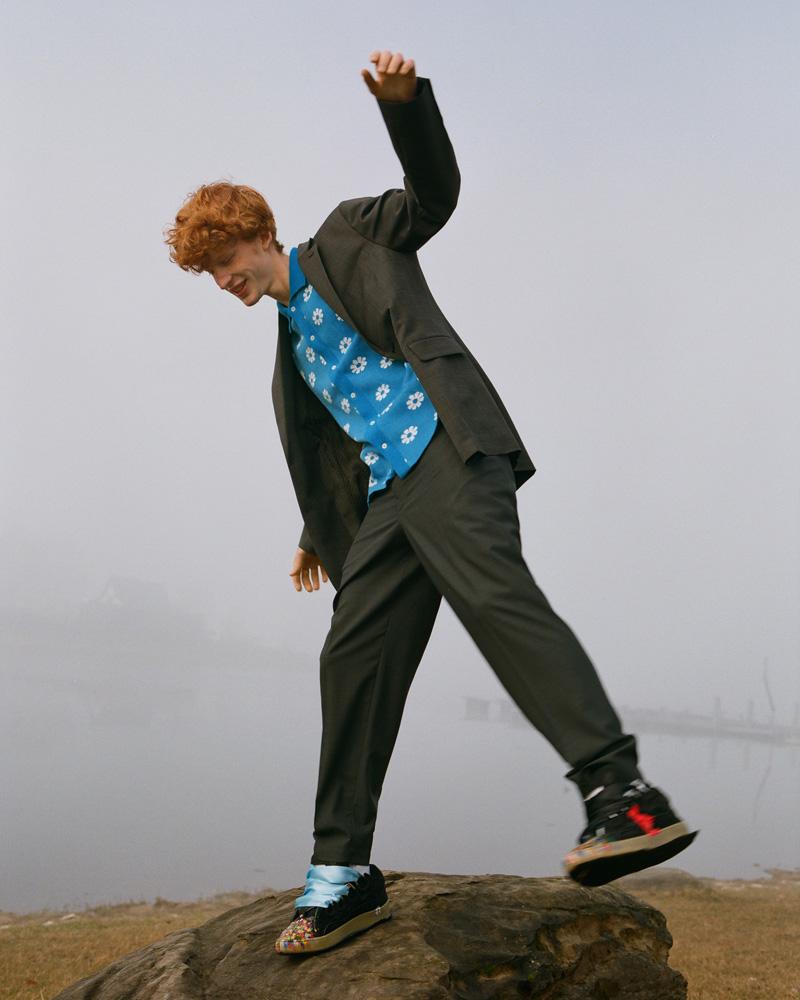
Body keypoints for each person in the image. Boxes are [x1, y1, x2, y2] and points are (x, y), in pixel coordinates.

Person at [164, 48, 698, 956]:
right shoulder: (291, 350)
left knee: (495, 599)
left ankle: (623, 794)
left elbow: (432, 197)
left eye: (223, 260)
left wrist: (406, 107)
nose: (222, 281)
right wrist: (313, 531)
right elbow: (340, 446)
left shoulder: (348, 237)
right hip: (392, 499)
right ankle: (342, 874)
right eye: (207, 274)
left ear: (258, 234)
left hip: (451, 452)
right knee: (352, 655)